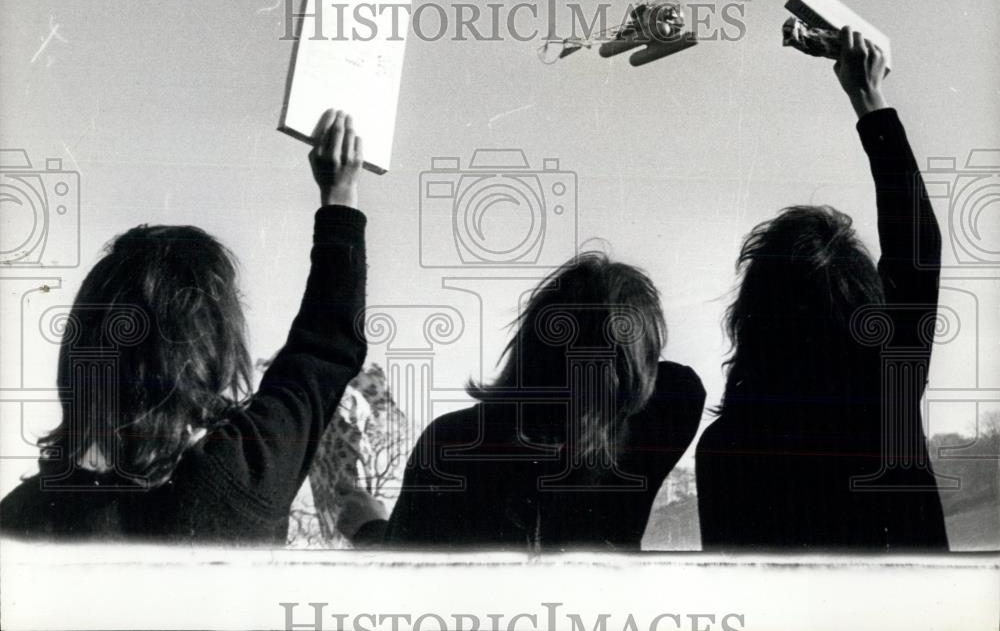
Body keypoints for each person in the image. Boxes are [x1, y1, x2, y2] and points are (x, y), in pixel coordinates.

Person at [0, 110, 368, 543]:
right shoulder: (244, 469)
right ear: (214, 344)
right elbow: (325, 346)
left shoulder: (20, 518)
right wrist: (339, 198)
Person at [695, 28, 949, 550]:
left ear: (751, 312)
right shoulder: (884, 397)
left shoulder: (723, 447)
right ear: (864, 299)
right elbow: (917, 244)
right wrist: (867, 97)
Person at [373, 252, 705, 551]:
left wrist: (367, 526)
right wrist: (622, 362)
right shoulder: (642, 437)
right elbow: (680, 382)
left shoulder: (452, 439)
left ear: (530, 339)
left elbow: (403, 565)